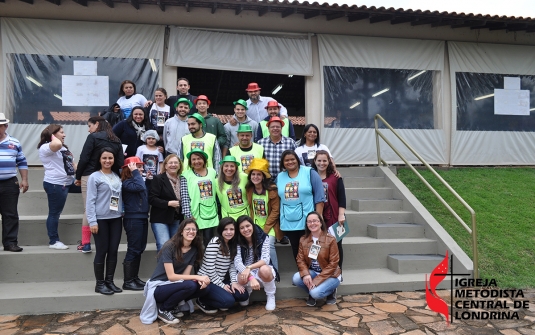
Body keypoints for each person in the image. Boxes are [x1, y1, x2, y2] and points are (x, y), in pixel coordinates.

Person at [140, 219, 210, 325]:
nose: (191, 231)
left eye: (194, 229)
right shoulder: (170, 246)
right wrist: (198, 276)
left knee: (204, 288)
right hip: (158, 287)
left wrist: (198, 280)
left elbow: (185, 276)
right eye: (188, 229)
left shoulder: (194, 250)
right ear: (181, 231)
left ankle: (173, 306)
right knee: (191, 285)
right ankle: (163, 310)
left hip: (174, 285)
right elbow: (171, 276)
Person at [75, 116, 123, 253]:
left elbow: (84, 158)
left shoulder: (93, 137)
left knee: (88, 207)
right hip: (111, 177)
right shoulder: (117, 140)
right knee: (110, 206)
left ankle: (85, 243)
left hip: (90, 173)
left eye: (89, 126)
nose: (89, 130)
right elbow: (120, 161)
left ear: (97, 124)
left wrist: (78, 176)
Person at [86, 148, 123, 295]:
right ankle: (99, 284)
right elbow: (90, 201)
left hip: (115, 218)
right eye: (104, 158)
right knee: (102, 251)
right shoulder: (94, 177)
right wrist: (92, 221)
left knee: (113, 250)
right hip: (100, 219)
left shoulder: (116, 175)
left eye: (110, 158)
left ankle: (110, 281)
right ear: (99, 160)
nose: (108, 161)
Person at [276, 150, 325, 260]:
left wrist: (318, 217)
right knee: (296, 248)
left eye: (292, 159)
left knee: (312, 247)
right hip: (288, 220)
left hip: (308, 220)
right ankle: (303, 273)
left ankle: (315, 271)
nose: (290, 162)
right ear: (282, 163)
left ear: (298, 160)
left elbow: (320, 197)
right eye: (286, 160)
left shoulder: (310, 172)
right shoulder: (279, 177)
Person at [196, 218, 249, 312]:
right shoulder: (215, 242)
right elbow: (209, 268)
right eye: (225, 229)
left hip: (221, 279)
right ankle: (202, 300)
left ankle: (219, 298)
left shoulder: (233, 244)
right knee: (228, 302)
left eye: (231, 229)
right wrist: (222, 286)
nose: (228, 232)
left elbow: (232, 266)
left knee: (243, 295)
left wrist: (233, 282)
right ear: (221, 230)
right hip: (207, 281)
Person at [37, 124, 75, 250]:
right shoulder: (46, 147)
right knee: (54, 213)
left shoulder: (63, 148)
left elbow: (72, 164)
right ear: (52, 135)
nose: (64, 135)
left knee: (90, 187)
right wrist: (52, 136)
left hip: (69, 181)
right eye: (61, 132)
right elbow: (56, 144)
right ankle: (53, 241)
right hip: (56, 184)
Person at [292, 211, 341, 306]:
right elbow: (300, 259)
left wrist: (317, 280)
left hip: (331, 275)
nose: (312, 223)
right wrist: (306, 274)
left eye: (315, 221)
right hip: (313, 272)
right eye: (309, 221)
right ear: (306, 224)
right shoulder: (303, 239)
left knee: (316, 294)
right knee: (296, 278)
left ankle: (330, 291)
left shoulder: (330, 239)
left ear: (321, 223)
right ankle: (312, 291)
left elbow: (333, 264)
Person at [245, 158, 283, 271]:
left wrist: (265, 229)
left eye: (259, 174)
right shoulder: (249, 189)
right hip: (254, 225)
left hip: (269, 225)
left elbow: (275, 211)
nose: (255, 177)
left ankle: (275, 272)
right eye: (253, 174)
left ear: (263, 177)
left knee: (269, 245)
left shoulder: (271, 190)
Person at [234, 215, 277, 311]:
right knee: (241, 275)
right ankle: (248, 291)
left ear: (252, 225)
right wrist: (250, 276)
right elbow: (237, 262)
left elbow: (265, 260)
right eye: (242, 228)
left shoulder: (263, 237)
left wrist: (249, 267)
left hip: (260, 270)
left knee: (265, 269)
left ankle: (270, 296)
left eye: (248, 226)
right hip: (246, 273)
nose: (246, 229)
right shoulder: (237, 240)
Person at [312, 150, 346, 269]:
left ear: (329, 161)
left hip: (334, 216)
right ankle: (316, 269)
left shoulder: (336, 177)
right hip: (316, 216)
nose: (322, 163)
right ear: (314, 161)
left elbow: (342, 197)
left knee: (336, 245)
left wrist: (341, 215)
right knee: (316, 243)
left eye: (325, 160)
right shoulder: (310, 177)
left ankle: (338, 271)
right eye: (319, 160)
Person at [149, 154, 189, 252]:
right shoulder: (158, 179)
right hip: (160, 218)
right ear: (165, 165)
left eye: (176, 162)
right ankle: (162, 268)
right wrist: (168, 203)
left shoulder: (183, 180)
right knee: (164, 245)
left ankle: (172, 268)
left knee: (175, 247)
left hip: (176, 218)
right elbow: (151, 199)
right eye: (170, 163)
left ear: (179, 165)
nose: (173, 165)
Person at [0, 113, 28, 252]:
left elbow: (22, 162)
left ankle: (10, 243)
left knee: (10, 214)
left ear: (5, 126)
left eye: (0, 126)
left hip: (9, 183)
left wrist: (24, 179)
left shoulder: (14, 143)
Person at [121, 156, 150, 291]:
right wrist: (136, 173)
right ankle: (128, 281)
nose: (141, 169)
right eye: (138, 166)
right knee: (133, 249)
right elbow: (139, 186)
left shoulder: (138, 180)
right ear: (130, 168)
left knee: (139, 248)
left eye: (141, 167)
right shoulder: (127, 183)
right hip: (133, 219)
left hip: (142, 217)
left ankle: (134, 278)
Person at [181, 148, 218, 246]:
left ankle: (208, 261)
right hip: (194, 215)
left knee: (210, 244)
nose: (196, 161)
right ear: (190, 162)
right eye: (193, 159)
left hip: (211, 213)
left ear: (204, 160)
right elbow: (184, 197)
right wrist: (188, 215)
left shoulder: (212, 172)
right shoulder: (185, 175)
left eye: (199, 159)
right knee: (194, 244)